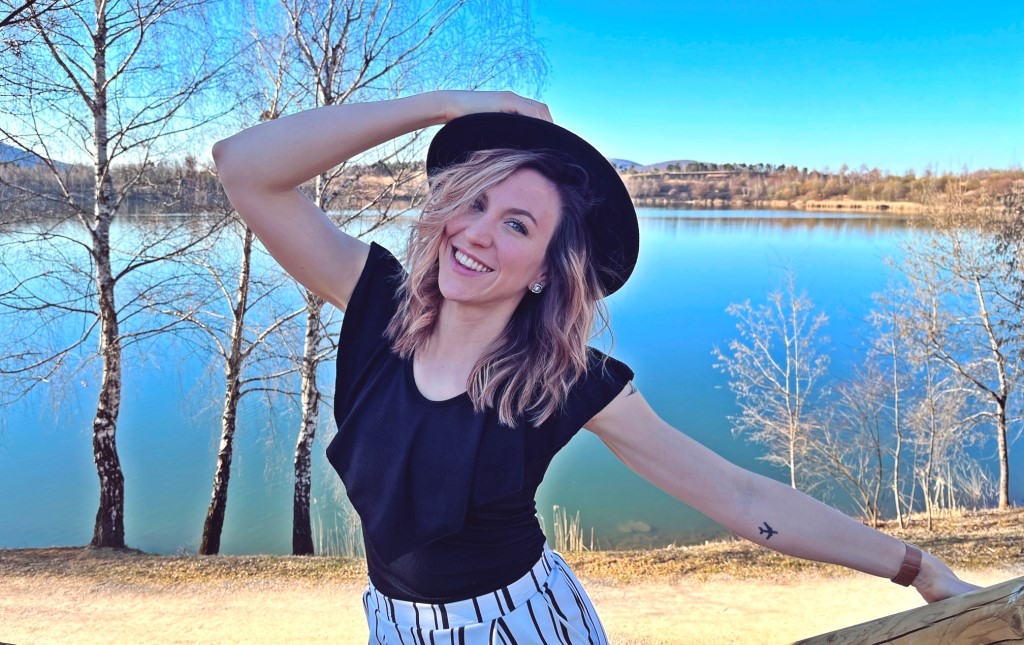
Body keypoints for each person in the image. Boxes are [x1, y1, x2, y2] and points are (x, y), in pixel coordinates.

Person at [213, 90, 978, 643]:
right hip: (392, 625)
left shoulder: (564, 377)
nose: (477, 233)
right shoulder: (377, 304)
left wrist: (917, 566)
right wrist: (448, 106)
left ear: (547, 269)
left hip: (522, 628)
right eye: (473, 202)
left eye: (517, 224)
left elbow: (741, 495)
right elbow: (243, 166)